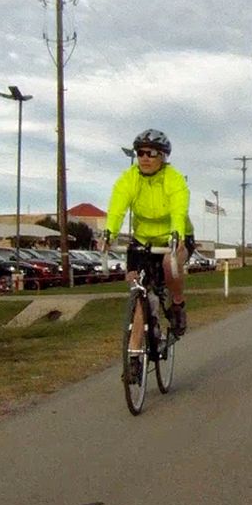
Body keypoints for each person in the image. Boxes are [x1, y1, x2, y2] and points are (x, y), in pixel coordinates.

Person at [104, 130, 191, 381]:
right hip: (142, 241)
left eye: (151, 153)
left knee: (170, 264)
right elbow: (117, 208)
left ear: (162, 156)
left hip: (173, 237)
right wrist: (109, 233)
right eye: (140, 152)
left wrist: (176, 235)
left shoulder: (173, 179)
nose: (144, 157)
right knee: (138, 290)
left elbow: (178, 209)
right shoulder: (129, 179)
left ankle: (177, 305)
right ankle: (133, 357)